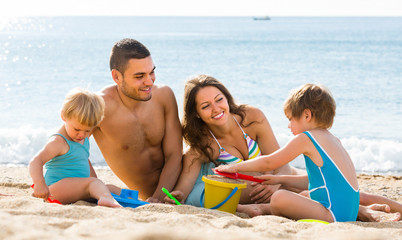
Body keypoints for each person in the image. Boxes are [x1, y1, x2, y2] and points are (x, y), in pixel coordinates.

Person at [165, 75, 401, 222]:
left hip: (306, 198)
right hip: (332, 204)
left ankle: (370, 210)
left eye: (219, 99)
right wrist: (178, 195)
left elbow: (274, 161)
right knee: (315, 192)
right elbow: (185, 184)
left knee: (291, 195)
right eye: (206, 106)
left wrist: (267, 178)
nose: (216, 108)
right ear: (196, 113)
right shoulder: (202, 145)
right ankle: (369, 211)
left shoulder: (260, 121)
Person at [216, 83, 359, 222]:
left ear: (307, 115)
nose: (288, 125)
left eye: (290, 119)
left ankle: (263, 209)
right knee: (304, 195)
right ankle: (261, 208)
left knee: (279, 197)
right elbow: (315, 182)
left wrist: (234, 167)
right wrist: (280, 179)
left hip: (332, 215)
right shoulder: (333, 140)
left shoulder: (306, 138)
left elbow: (269, 162)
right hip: (347, 215)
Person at [92, 38, 183, 202]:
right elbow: (66, 145)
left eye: (152, 72)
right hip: (154, 198)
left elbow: (174, 155)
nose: (149, 81)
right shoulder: (99, 106)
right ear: (116, 76)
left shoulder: (164, 96)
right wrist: (93, 186)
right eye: (140, 76)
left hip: (184, 183)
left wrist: (158, 198)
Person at [29, 88, 121, 208]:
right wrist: (39, 184)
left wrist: (96, 182)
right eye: (77, 129)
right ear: (63, 116)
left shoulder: (83, 139)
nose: (82, 135)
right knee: (94, 184)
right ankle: (107, 199)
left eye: (87, 130)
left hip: (76, 188)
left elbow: (83, 159)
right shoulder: (59, 141)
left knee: (110, 188)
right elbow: (36, 161)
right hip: (54, 191)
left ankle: (132, 198)